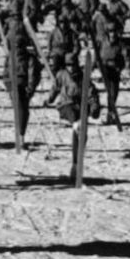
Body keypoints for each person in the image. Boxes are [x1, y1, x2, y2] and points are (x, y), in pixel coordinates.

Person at [50, 53, 100, 181]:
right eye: (68, 65)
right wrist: (49, 99)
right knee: (76, 121)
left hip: (80, 107)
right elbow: (55, 88)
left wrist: (94, 108)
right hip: (65, 105)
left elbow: (91, 93)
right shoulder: (62, 74)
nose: (70, 68)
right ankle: (76, 124)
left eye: (72, 65)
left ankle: (76, 164)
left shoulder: (83, 77)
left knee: (81, 133)